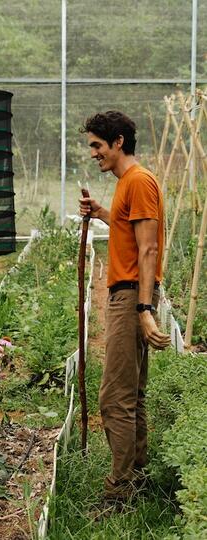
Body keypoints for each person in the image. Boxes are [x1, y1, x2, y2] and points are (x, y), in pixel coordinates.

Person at [79, 111, 170, 513]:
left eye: (97, 145)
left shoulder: (138, 181)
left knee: (115, 398)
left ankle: (119, 490)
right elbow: (130, 232)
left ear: (118, 142)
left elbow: (148, 248)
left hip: (131, 296)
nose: (93, 153)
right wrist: (101, 211)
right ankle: (137, 476)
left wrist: (144, 308)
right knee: (131, 393)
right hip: (129, 294)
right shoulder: (128, 185)